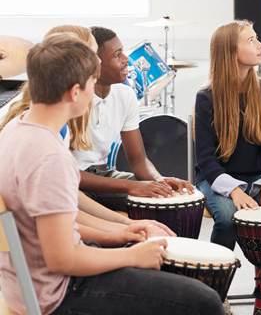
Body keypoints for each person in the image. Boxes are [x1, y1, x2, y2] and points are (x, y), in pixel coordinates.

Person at [0, 34, 224, 315]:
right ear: (74, 92)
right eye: (92, 83)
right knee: (204, 301)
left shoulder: (16, 128)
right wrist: (130, 255)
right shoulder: (48, 156)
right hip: (58, 292)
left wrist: (121, 231)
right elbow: (62, 258)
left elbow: (53, 226)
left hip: (27, 281)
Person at [0, 25, 175, 239]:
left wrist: (127, 223)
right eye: (94, 57)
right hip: (53, 256)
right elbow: (62, 232)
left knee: (165, 207)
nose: (98, 64)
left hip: (74, 209)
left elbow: (69, 202)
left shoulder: (49, 127)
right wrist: (122, 235)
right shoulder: (42, 138)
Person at [195, 20, 261, 250]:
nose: (260, 44)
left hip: (258, 176)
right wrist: (234, 191)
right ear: (231, 52)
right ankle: (215, 282)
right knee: (227, 219)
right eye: (251, 40)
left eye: (257, 38)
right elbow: (205, 158)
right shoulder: (206, 97)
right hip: (215, 178)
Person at [72, 26, 193, 212]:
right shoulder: (73, 100)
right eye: (117, 55)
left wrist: (159, 180)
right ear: (94, 62)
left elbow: (138, 160)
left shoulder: (125, 95)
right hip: (74, 182)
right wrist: (130, 186)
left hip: (103, 173)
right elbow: (67, 174)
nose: (126, 60)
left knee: (169, 202)